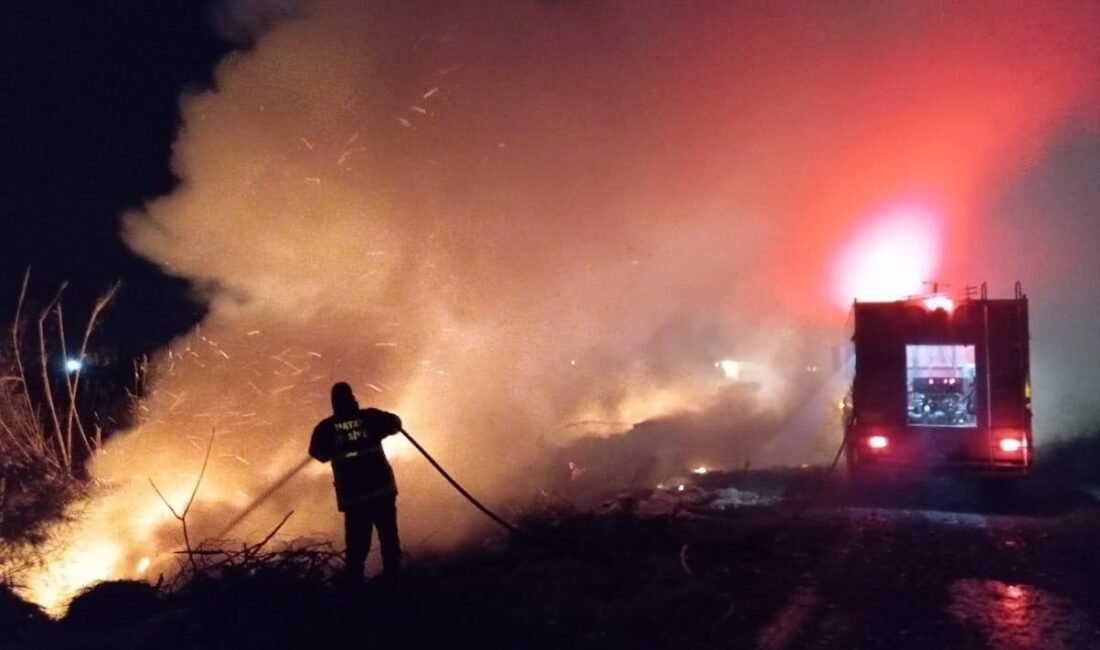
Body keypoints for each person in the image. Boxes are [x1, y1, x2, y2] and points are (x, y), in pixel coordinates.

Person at [309, 382, 403, 583]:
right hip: (381, 491)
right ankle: (393, 584)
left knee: (357, 548)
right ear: (353, 397)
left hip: (355, 498)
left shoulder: (326, 428)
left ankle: (354, 590)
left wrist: (337, 448)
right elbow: (396, 423)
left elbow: (317, 454)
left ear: (333, 402)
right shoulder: (370, 417)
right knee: (389, 541)